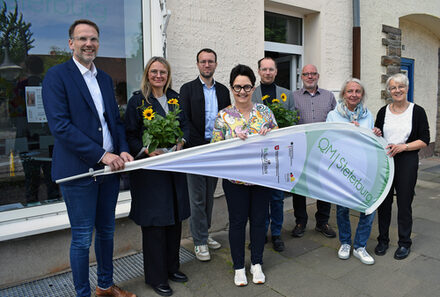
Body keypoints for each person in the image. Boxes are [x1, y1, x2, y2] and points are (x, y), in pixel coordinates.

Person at [42, 19, 135, 297]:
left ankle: (105, 286)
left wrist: (121, 149)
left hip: (108, 172)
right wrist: (103, 154)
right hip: (78, 172)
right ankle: (82, 294)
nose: (88, 44)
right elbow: (60, 127)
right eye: (82, 38)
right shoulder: (57, 77)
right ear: (71, 43)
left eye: (93, 39)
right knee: (82, 239)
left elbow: (114, 122)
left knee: (106, 233)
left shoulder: (104, 78)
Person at [125, 56, 191, 296]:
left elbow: (185, 126)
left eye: (163, 72)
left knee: (174, 220)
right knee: (155, 226)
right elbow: (130, 134)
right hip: (150, 173)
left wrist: (182, 141)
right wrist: (145, 150)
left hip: (173, 169)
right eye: (154, 72)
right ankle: (156, 277)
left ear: (168, 74)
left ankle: (172, 268)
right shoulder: (137, 102)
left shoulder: (175, 98)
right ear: (147, 74)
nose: (158, 76)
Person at [211, 64, 277, 286]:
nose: (242, 91)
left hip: (261, 177)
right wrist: (231, 141)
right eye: (237, 87)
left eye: (246, 87)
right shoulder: (224, 116)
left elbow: (280, 142)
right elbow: (215, 148)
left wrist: (270, 135)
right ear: (231, 88)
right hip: (235, 180)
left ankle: (256, 263)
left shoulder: (265, 112)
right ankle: (239, 266)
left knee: (259, 221)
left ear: (253, 87)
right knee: (237, 222)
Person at [180, 48, 230, 261]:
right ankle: (199, 242)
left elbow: (227, 117)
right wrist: (201, 145)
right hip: (196, 150)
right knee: (197, 198)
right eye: (203, 61)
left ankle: (205, 234)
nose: (207, 65)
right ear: (198, 64)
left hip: (216, 150)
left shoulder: (223, 90)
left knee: (209, 195)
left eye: (210, 61)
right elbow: (185, 121)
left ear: (216, 65)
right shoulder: (187, 89)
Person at [326, 78, 382, 265]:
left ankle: (360, 246)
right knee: (342, 208)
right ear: (343, 94)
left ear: (362, 95)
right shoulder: (334, 116)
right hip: (342, 168)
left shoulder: (367, 115)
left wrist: (375, 134)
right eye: (350, 91)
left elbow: (371, 143)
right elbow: (328, 139)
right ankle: (345, 243)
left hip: (364, 168)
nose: (354, 95)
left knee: (368, 206)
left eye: (357, 91)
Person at [374, 73, 430, 260]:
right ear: (388, 91)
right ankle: (383, 240)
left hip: (407, 160)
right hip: (386, 159)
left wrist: (404, 147)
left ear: (407, 88)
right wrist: (376, 132)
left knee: (405, 203)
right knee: (384, 202)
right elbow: (378, 135)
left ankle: (404, 243)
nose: (397, 90)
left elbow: (424, 139)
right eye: (393, 87)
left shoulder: (418, 111)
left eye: (400, 87)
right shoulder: (383, 111)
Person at [251, 57, 294, 252]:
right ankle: (259, 233)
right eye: (264, 69)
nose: (267, 72)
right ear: (259, 72)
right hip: (257, 156)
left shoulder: (286, 95)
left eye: (271, 69)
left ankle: (276, 234)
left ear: (276, 72)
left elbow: (292, 122)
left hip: (278, 156)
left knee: (277, 198)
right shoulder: (251, 94)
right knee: (258, 199)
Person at [291, 64, 337, 238]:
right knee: (299, 187)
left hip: (323, 150)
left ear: (318, 76)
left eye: (313, 74)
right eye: (306, 74)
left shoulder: (329, 96)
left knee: (323, 186)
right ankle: (300, 221)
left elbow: (336, 119)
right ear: (301, 77)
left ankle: (322, 222)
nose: (309, 77)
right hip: (300, 150)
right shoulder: (292, 97)